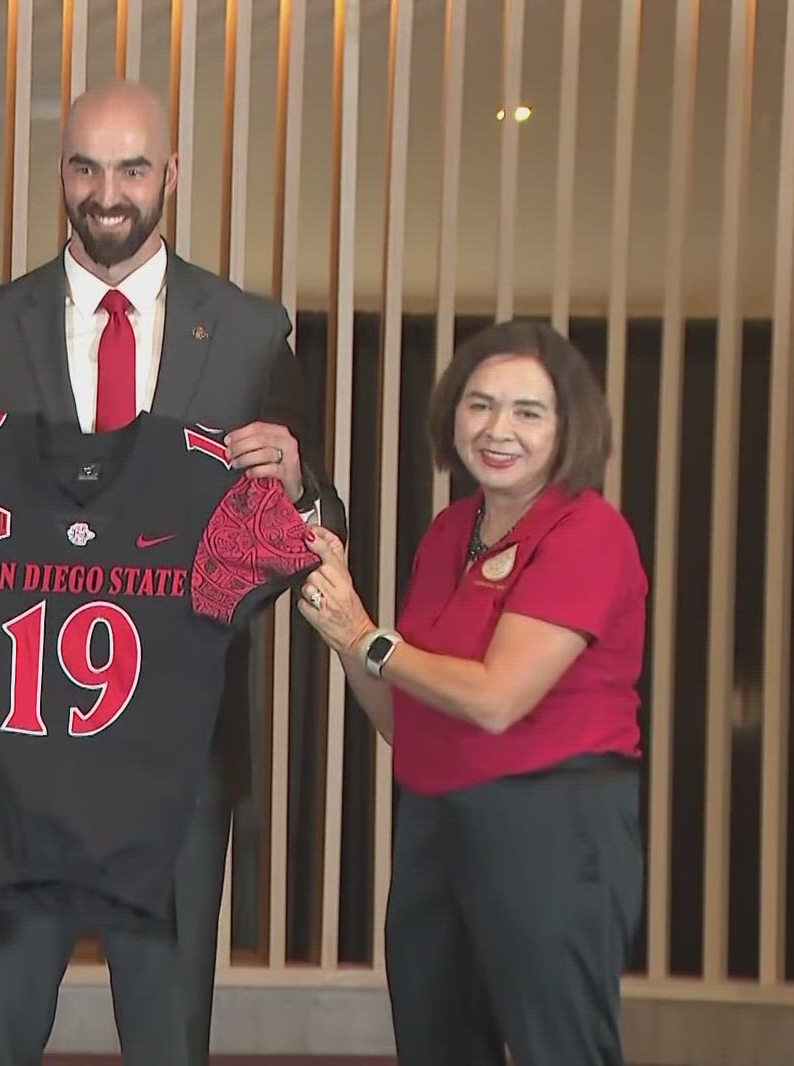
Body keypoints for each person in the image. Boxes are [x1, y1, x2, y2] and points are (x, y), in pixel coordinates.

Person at [0, 79, 347, 1065]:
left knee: (168, 1038)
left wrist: (300, 490)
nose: (109, 191)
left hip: (177, 762)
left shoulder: (253, 333)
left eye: (133, 167)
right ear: (60, 175)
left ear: (170, 174)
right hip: (14, 758)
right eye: (86, 166)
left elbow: (319, 526)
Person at [293, 320, 648, 1066]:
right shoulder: (453, 531)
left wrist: (368, 638)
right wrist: (343, 627)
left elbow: (494, 699)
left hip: (553, 823)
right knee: (436, 1044)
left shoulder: (589, 530)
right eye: (479, 404)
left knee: (560, 1047)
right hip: (435, 822)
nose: (498, 429)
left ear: (568, 427)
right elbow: (403, 719)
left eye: (528, 411)